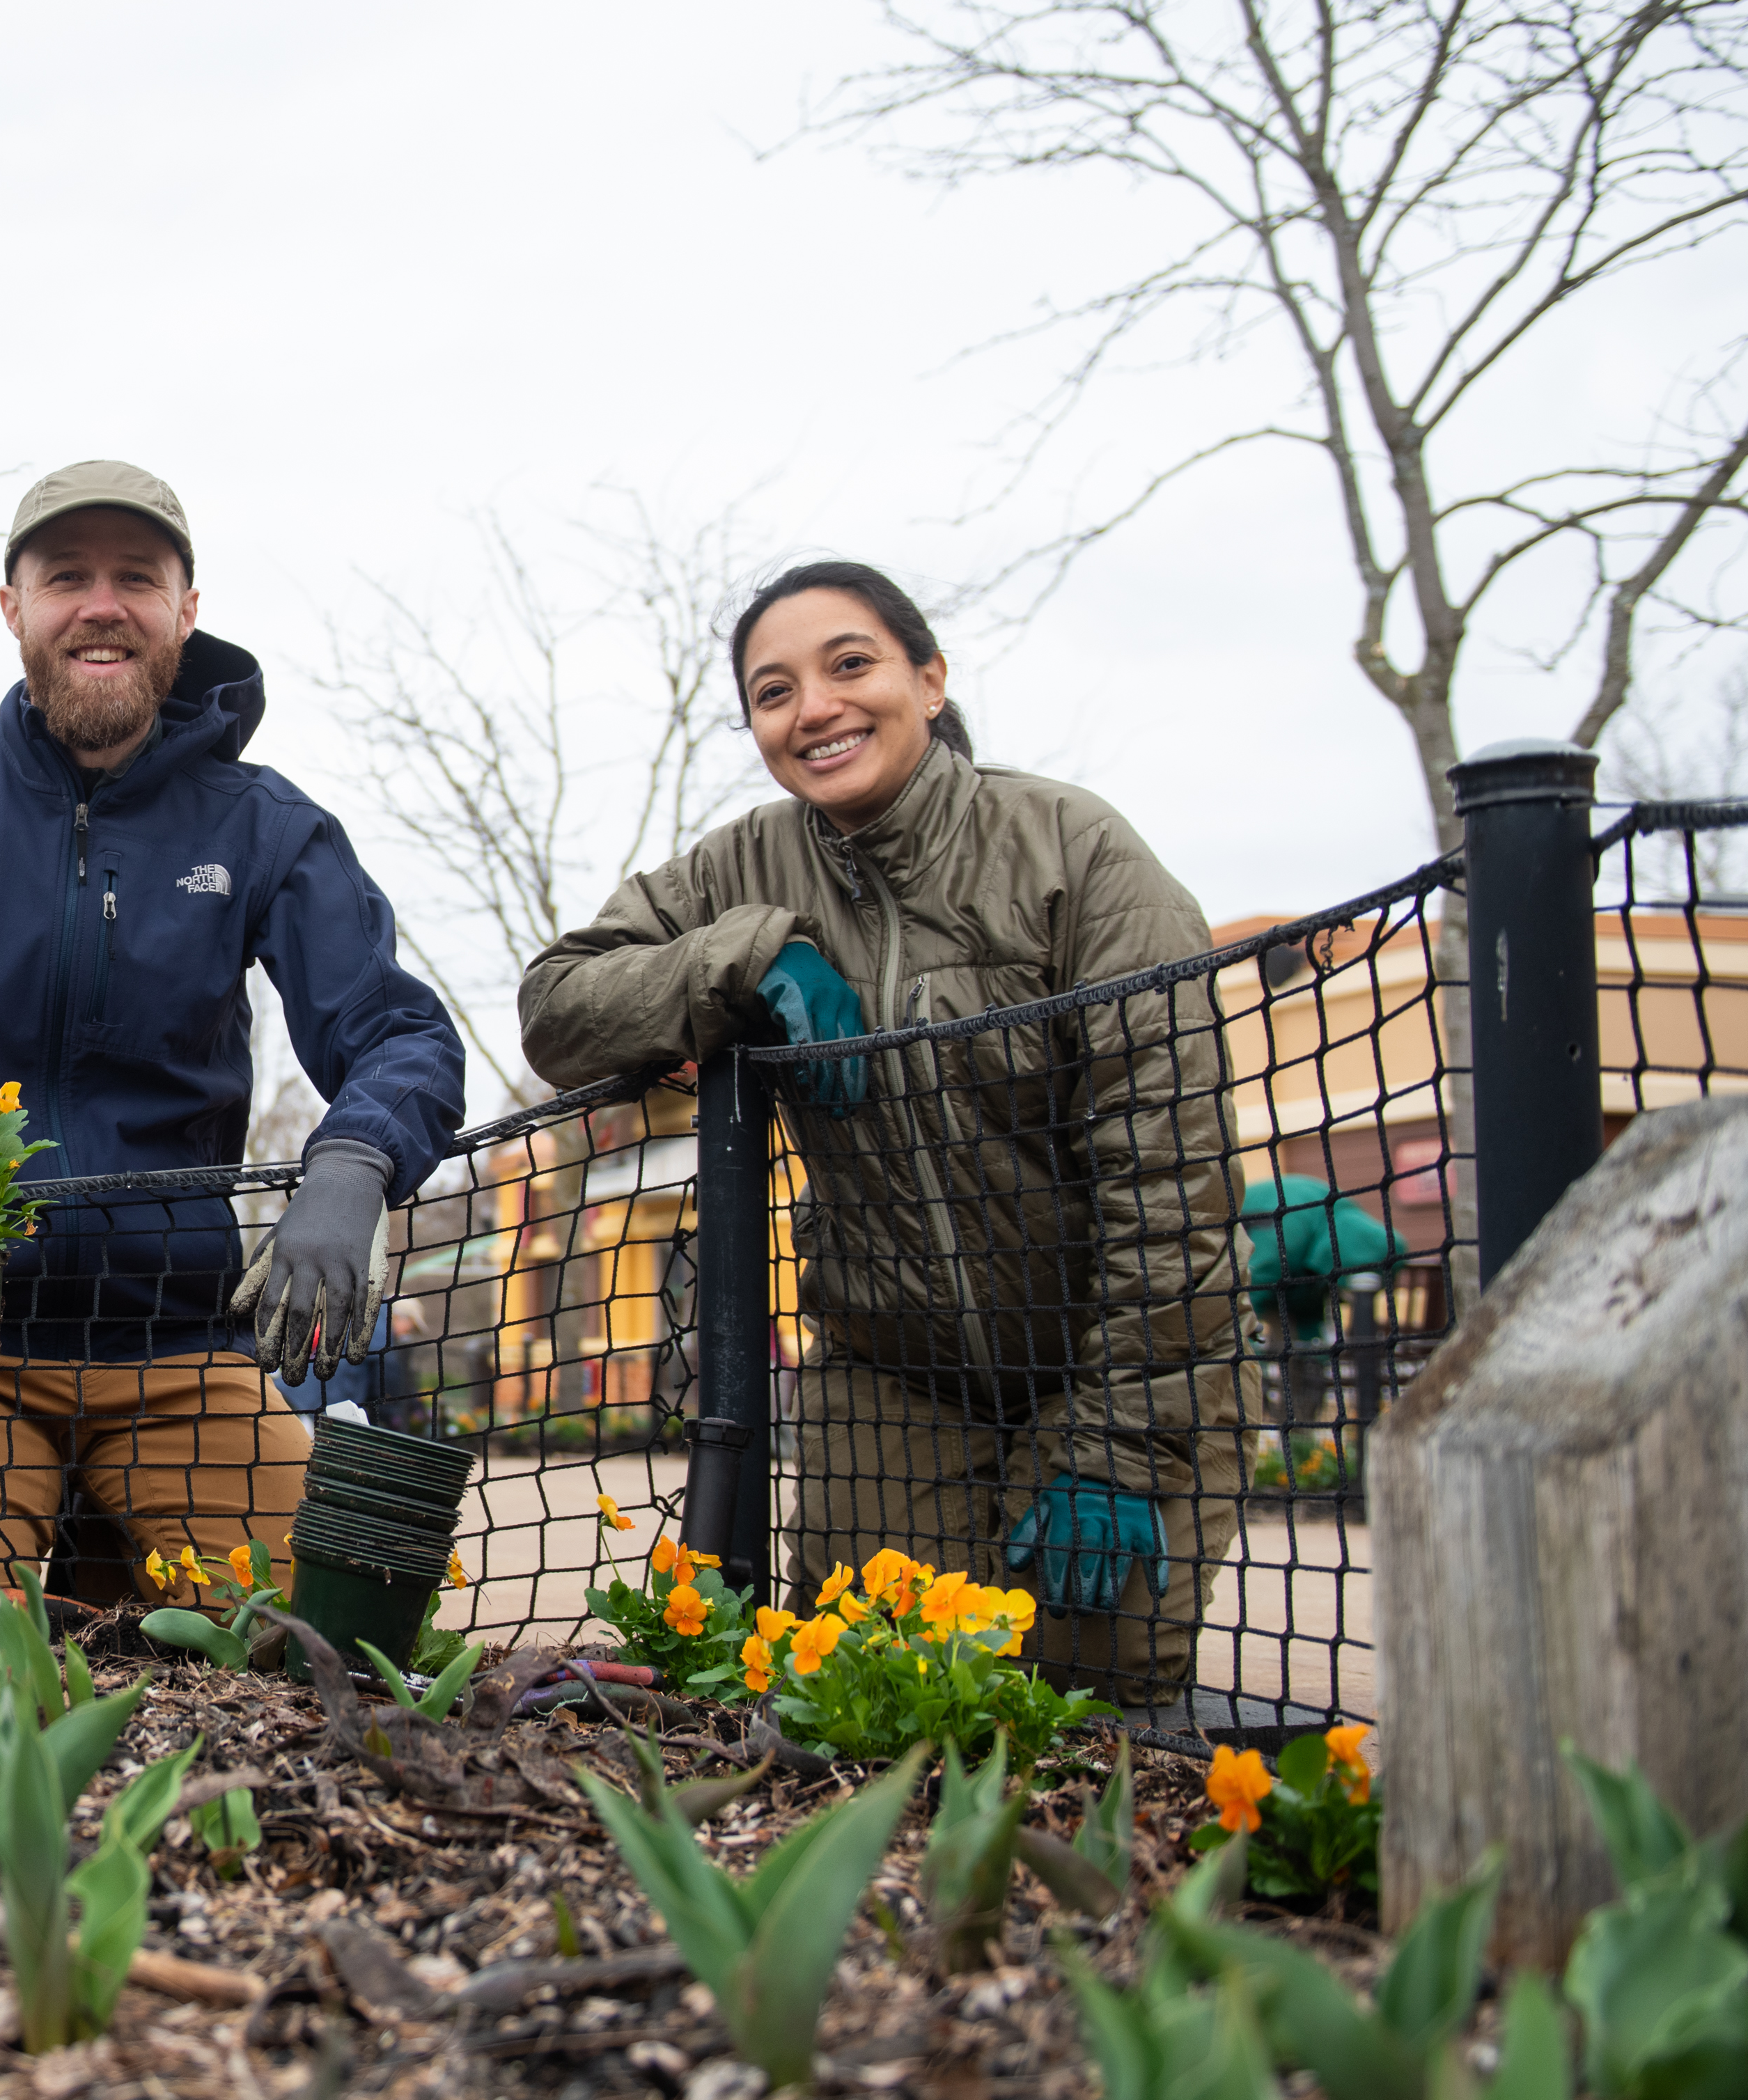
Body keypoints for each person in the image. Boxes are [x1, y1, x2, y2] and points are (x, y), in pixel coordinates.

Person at [0, 460, 466, 1631]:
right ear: (12, 606)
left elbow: (399, 1033)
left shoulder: (267, 828)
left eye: (137, 578)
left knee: (298, 1658)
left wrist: (354, 1167)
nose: (100, 605)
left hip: (188, 1348)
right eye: (67, 577)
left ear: (186, 612)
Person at [516, 559, 1241, 1706]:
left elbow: (1173, 1182)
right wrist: (750, 954)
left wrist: (1121, 1449)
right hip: (894, 1374)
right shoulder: (745, 865)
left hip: (1107, 1361)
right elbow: (558, 1008)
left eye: (849, 665)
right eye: (773, 691)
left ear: (931, 678)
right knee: (874, 1678)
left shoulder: (1078, 852)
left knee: (1081, 1676)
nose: (815, 708)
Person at [1237, 1173, 1407, 1453]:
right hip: (1250, 1284)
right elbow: (1248, 1293)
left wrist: (1311, 1356)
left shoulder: (1336, 1225)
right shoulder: (1294, 1227)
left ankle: (1299, 1442)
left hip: (1294, 1285)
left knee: (1306, 1356)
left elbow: (1308, 1310)